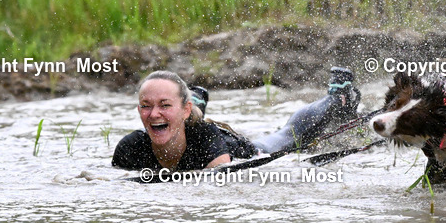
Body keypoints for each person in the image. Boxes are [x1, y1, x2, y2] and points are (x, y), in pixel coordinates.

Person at [112, 68, 360, 171]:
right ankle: (194, 101)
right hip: (188, 119)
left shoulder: (207, 139)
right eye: (146, 106)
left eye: (164, 105)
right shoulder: (130, 147)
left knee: (288, 135)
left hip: (249, 151)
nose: (153, 114)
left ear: (183, 110)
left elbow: (221, 187)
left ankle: (338, 97)